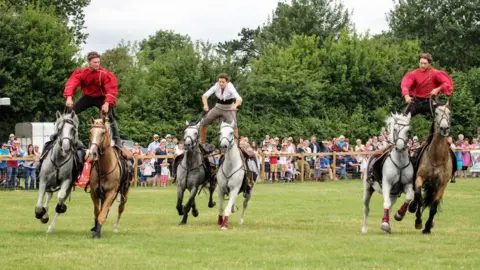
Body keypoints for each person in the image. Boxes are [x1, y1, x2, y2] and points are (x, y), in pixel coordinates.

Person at [39, 51, 122, 175]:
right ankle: (60, 135)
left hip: (102, 98)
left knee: (110, 117)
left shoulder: (104, 74)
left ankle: (117, 141)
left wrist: (107, 103)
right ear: (89, 62)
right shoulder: (81, 72)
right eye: (95, 62)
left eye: (98, 62)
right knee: (69, 112)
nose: (97, 64)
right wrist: (69, 97)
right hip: (88, 97)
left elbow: (111, 88)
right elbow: (72, 83)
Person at [199, 73, 242, 149]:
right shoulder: (216, 86)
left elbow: (239, 99)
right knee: (204, 121)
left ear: (227, 82)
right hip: (218, 107)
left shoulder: (230, 87)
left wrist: (234, 106)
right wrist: (205, 105)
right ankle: (202, 143)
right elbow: (204, 96)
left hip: (229, 108)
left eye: (223, 82)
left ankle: (236, 146)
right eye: (220, 81)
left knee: (234, 125)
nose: (221, 83)